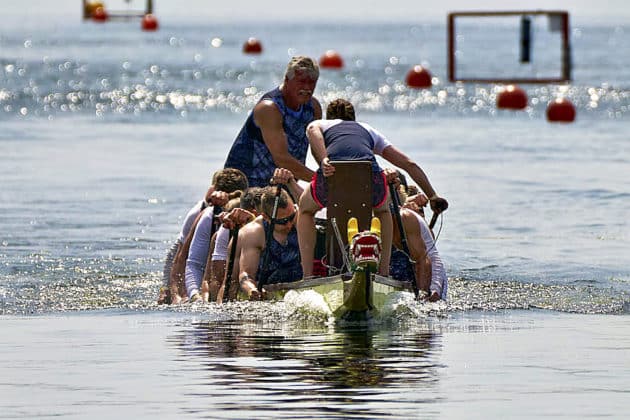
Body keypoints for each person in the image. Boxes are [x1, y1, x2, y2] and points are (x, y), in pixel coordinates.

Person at [297, 98, 449, 278]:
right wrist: (432, 196)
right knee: (383, 211)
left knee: (305, 210)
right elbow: (409, 164)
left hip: (333, 172)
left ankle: (307, 275)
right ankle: (383, 272)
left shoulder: (320, 123)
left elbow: (313, 131)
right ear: (353, 118)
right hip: (369, 174)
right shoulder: (368, 130)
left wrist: (323, 160)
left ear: (329, 117)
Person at [224, 56, 322, 187]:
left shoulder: (313, 107)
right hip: (246, 184)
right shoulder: (269, 108)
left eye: (312, 82)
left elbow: (319, 147)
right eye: (302, 81)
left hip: (283, 186)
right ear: (287, 80)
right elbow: (281, 159)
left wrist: (330, 171)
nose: (307, 88)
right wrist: (320, 181)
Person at [158, 168, 247, 304]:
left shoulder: (248, 211)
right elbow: (181, 258)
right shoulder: (200, 213)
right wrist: (175, 292)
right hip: (194, 257)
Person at [237, 186, 302, 300]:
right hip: (267, 287)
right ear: (266, 217)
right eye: (282, 221)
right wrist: (251, 289)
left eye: (291, 217)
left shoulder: (302, 217)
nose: (289, 225)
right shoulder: (254, 233)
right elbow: (246, 274)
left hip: (301, 284)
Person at [390, 186, 448, 301]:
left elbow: (423, 260)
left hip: (431, 273)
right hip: (404, 268)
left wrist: (424, 294)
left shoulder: (405, 218)